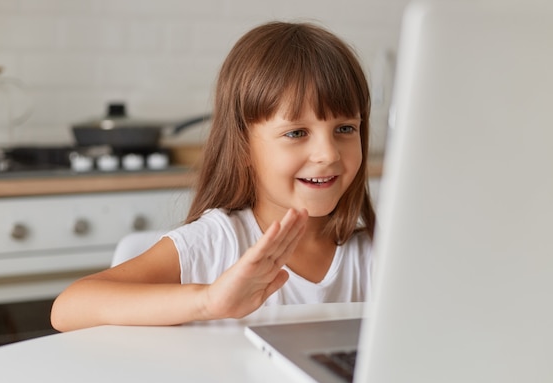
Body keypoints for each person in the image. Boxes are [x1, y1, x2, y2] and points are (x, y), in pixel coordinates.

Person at [50, 21, 376, 332]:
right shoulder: (217, 242)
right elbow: (69, 308)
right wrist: (208, 302)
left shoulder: (374, 254)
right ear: (244, 147)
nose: (329, 153)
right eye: (297, 133)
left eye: (345, 129)